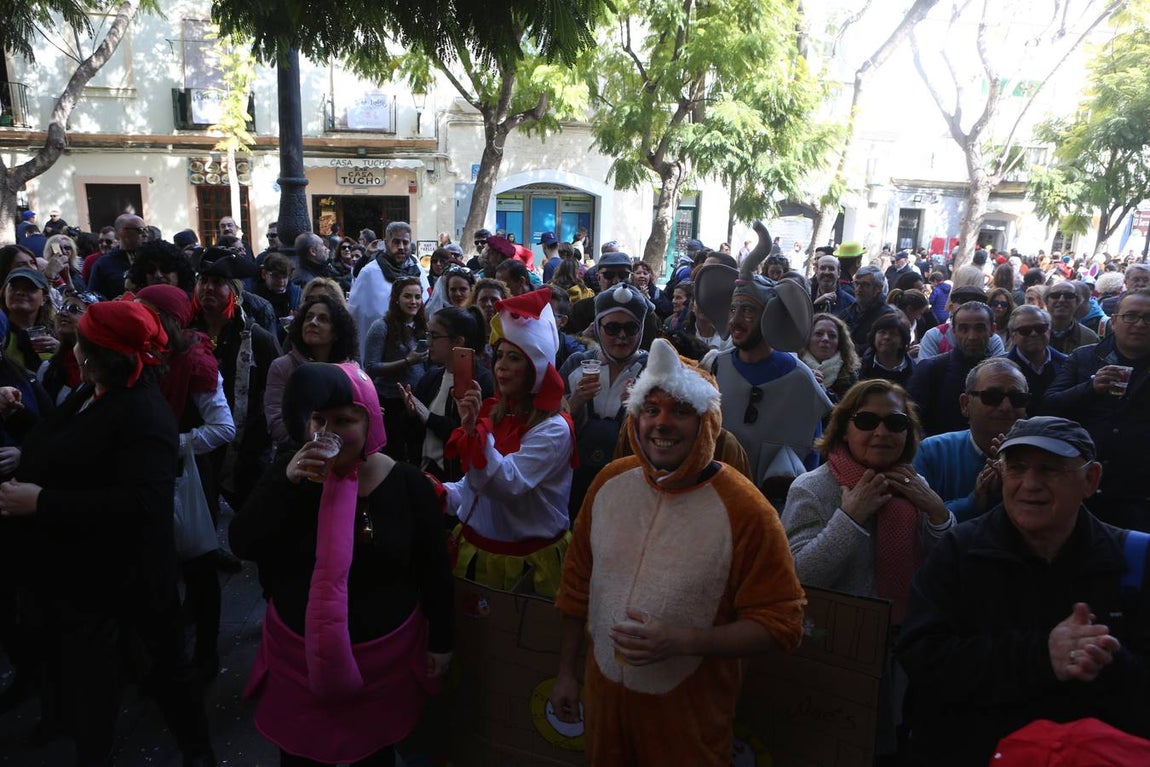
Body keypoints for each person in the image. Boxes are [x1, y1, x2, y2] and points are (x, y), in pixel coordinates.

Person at [550, 338, 805, 766]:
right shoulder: (609, 483)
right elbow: (577, 588)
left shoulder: (746, 509)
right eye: (651, 410)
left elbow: (783, 624)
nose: (661, 424)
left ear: (706, 422)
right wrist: (564, 673)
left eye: (680, 411)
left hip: (688, 723)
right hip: (603, 708)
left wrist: (684, 641)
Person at [0, 300, 215, 766]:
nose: (72, 347)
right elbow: (66, 448)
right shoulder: (94, 391)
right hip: (83, 570)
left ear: (95, 355)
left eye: (78, 340)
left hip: (128, 574)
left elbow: (143, 504)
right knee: (93, 678)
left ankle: (196, 753)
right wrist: (19, 419)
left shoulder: (142, 411)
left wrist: (42, 501)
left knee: (155, 672)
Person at [230, 361, 454, 767]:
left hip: (382, 670)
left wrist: (442, 639)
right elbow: (243, 542)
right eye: (318, 419)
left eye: (344, 419)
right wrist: (287, 483)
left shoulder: (406, 485)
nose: (328, 432)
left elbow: (433, 568)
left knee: (375, 757)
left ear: (371, 423)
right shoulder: (291, 474)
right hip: (297, 665)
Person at [896, 417, 1150, 767]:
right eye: (1016, 468)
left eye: (1050, 469)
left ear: (1090, 480)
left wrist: (1110, 659)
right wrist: (1042, 655)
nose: (1030, 484)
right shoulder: (960, 550)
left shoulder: (1134, 559)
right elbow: (921, 655)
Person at [783, 379, 953, 623]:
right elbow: (795, 578)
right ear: (844, 428)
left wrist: (940, 515)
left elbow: (948, 568)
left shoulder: (914, 485)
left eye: (895, 423)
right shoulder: (812, 489)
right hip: (839, 639)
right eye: (866, 422)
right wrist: (848, 520)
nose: (882, 433)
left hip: (911, 635)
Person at [441, 288, 575, 597]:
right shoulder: (498, 413)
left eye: (514, 357)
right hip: (476, 557)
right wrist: (441, 492)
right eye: (499, 355)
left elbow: (506, 484)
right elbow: (476, 489)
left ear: (536, 368)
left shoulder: (555, 429)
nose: (500, 365)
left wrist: (474, 433)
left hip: (525, 568)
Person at [692, 222, 830, 506]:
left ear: (769, 316)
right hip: (714, 501)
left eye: (748, 310)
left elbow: (811, 457)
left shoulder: (800, 380)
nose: (736, 319)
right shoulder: (713, 366)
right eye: (733, 309)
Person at [1043, 287, 1150, 531]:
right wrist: (1090, 387)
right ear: (1114, 321)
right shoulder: (1085, 358)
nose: (1140, 324)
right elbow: (1048, 406)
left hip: (1139, 495)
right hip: (1082, 488)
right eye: (1131, 316)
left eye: (1148, 318)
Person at [560, 284, 650, 519]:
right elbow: (548, 422)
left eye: (631, 328)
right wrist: (576, 401)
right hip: (576, 481)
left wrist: (641, 412)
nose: (622, 336)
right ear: (597, 328)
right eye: (612, 328)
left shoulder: (652, 370)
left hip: (631, 483)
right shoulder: (576, 364)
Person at [913, 358, 1029, 522]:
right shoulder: (933, 452)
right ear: (965, 404)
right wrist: (973, 502)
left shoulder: (1038, 458)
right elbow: (916, 521)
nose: (1006, 407)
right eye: (992, 396)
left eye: (1017, 398)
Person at [403, 306, 494, 481]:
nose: (428, 342)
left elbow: (469, 435)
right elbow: (412, 433)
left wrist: (429, 418)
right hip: (423, 473)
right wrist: (411, 413)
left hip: (456, 481)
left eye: (434, 336)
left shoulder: (480, 383)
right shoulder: (431, 377)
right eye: (428, 334)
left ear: (458, 341)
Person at [265, 295, 359, 457]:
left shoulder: (351, 370)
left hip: (342, 458)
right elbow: (276, 424)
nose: (313, 322)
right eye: (308, 317)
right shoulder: (282, 367)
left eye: (323, 319)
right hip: (296, 456)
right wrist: (320, 441)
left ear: (337, 332)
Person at [907, 301, 998, 436]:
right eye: (964, 329)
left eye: (979, 328)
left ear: (992, 330)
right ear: (954, 331)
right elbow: (913, 424)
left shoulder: (1001, 373)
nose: (972, 336)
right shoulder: (931, 370)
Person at [364, 276, 427, 463]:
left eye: (417, 296)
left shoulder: (422, 325)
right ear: (396, 299)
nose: (413, 301)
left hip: (417, 399)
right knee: (394, 454)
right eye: (408, 296)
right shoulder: (381, 327)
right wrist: (407, 361)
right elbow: (371, 367)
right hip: (390, 401)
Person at [348, 221, 427, 362]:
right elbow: (356, 316)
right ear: (386, 243)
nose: (401, 247)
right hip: (381, 350)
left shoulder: (418, 270)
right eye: (396, 242)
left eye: (405, 242)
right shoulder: (369, 273)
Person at [1004, 305, 1066, 411]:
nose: (1033, 334)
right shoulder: (1001, 369)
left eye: (1040, 328)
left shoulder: (1067, 364)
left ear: (1049, 330)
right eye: (1025, 330)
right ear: (1012, 335)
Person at [2, 267, 60, 372]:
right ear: (4, 294)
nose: (20, 292)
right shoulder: (2, 333)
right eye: (14, 287)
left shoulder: (56, 330)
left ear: (44, 299)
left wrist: (61, 352)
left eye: (30, 288)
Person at [837, 264, 897, 355]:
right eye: (856, 283)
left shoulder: (887, 316)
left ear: (878, 288)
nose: (858, 289)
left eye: (865, 285)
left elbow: (877, 347)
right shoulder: (850, 310)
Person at [799, 312, 859, 403]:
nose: (825, 339)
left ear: (840, 342)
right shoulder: (794, 366)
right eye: (819, 334)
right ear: (807, 338)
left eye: (832, 336)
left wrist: (824, 392)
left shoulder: (849, 375)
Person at [859, 311, 915, 386]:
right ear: (874, 337)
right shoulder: (861, 367)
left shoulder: (913, 372)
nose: (887, 337)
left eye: (893, 333)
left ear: (902, 342)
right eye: (882, 332)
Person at [1046, 281, 1100, 354]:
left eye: (1069, 296)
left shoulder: (1089, 338)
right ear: (1046, 302)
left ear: (1078, 302)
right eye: (1055, 295)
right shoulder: (1032, 332)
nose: (1061, 300)